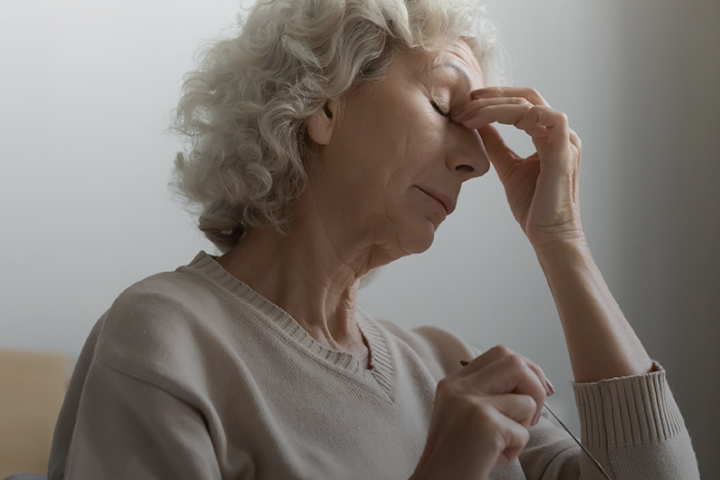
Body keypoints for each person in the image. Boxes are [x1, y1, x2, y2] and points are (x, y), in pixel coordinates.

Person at [48, 0, 700, 479]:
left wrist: (561, 239)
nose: (475, 163)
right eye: (447, 108)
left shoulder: (450, 368)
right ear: (323, 102)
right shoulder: (166, 338)